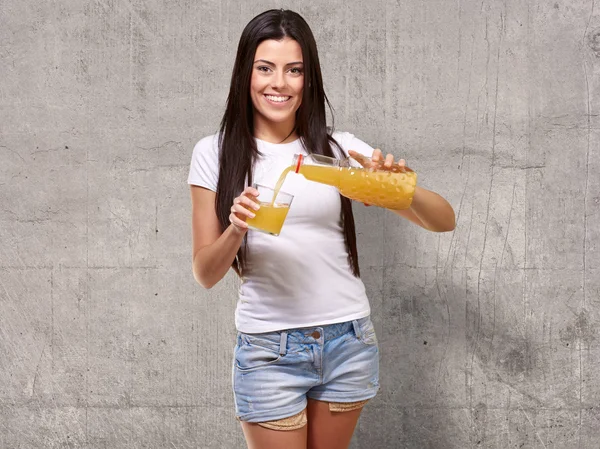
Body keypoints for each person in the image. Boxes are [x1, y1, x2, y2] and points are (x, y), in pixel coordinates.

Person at [187, 9, 455, 449]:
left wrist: (398, 187)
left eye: (294, 70)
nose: (280, 83)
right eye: (265, 68)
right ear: (245, 74)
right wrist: (236, 227)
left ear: (308, 79)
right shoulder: (214, 153)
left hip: (346, 340)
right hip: (269, 350)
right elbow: (205, 273)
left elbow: (443, 220)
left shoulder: (338, 150)